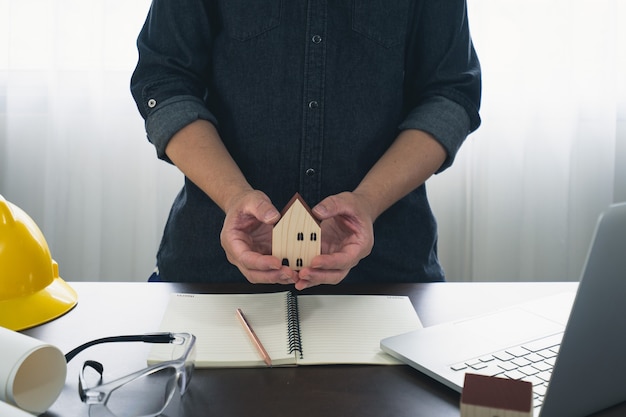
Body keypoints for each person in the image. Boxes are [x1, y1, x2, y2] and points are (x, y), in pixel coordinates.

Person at [130, 0, 481, 290]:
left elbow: (449, 95)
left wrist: (367, 203)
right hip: (212, 268)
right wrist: (233, 196)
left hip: (388, 270)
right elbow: (164, 82)